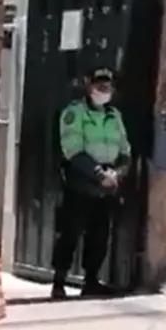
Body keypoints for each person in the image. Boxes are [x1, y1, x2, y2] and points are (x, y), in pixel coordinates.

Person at [50, 66, 131, 300]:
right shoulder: (75, 113)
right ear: (89, 86)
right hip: (81, 182)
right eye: (99, 85)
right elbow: (73, 150)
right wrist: (99, 174)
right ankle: (59, 282)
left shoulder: (114, 116)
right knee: (69, 234)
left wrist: (117, 174)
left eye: (107, 86)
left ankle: (91, 281)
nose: (103, 90)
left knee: (99, 235)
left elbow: (125, 150)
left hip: (106, 185)